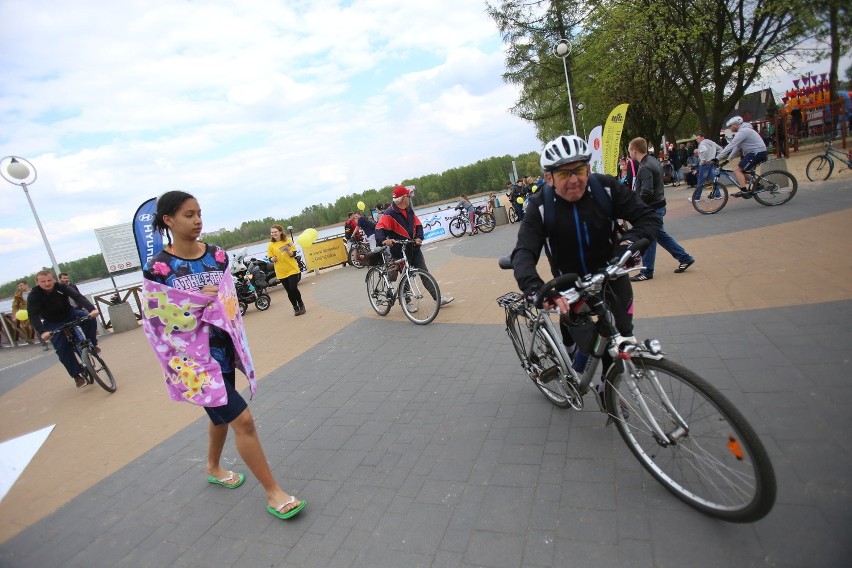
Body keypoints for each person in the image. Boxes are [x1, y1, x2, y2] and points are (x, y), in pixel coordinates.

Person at [142, 190, 305, 520]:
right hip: (192, 362)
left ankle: (213, 467)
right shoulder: (158, 267)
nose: (198, 220)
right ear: (168, 220)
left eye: (199, 213)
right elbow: (157, 320)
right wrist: (195, 300)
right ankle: (274, 493)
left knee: (219, 417)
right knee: (242, 419)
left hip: (223, 350)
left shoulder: (217, 256)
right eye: (188, 215)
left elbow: (230, 299)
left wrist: (220, 302)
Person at [511, 134, 660, 403]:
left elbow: (646, 217)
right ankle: (567, 356)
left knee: (622, 333)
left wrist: (629, 244)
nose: (574, 180)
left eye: (580, 170)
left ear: (588, 169)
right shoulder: (540, 207)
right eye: (564, 174)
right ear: (549, 178)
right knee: (589, 343)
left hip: (610, 272)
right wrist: (536, 288)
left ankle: (607, 387)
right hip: (570, 283)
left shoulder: (605, 189)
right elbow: (524, 252)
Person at [628, 137, 695, 282]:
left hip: (651, 208)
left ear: (634, 151)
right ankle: (685, 257)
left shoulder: (645, 166)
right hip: (657, 206)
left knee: (650, 238)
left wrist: (637, 206)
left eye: (629, 151)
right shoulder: (652, 161)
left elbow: (646, 191)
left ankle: (647, 271)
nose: (629, 154)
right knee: (660, 235)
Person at [374, 185, 454, 308]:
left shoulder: (408, 210)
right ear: (402, 198)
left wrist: (419, 237)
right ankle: (407, 302)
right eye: (407, 196)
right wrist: (384, 240)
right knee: (405, 276)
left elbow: (418, 225)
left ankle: (438, 299)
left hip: (413, 248)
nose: (409, 197)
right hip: (399, 250)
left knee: (424, 273)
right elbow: (379, 228)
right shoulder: (389, 213)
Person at [27, 271, 99, 387]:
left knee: (89, 318)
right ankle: (76, 376)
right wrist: (42, 332)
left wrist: (92, 309)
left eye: (49, 280)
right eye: (43, 281)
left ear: (54, 280)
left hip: (70, 314)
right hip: (52, 322)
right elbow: (33, 315)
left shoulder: (61, 286)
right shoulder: (34, 295)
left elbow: (77, 297)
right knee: (61, 349)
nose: (47, 283)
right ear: (37, 282)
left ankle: (92, 344)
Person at [715, 116, 769, 199]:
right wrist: (727, 160)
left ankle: (744, 190)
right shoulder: (742, 132)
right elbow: (736, 148)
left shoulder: (743, 132)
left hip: (757, 152)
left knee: (737, 170)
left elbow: (731, 145)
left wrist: (717, 158)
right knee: (741, 170)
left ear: (736, 125)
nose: (729, 128)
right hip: (754, 153)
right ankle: (757, 185)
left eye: (730, 126)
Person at [268, 224, 306, 316]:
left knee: (293, 288)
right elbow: (270, 258)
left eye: (275, 232)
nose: (274, 234)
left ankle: (301, 304)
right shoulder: (271, 245)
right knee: (289, 291)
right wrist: (273, 259)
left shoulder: (287, 241)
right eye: (272, 232)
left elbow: (293, 254)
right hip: (281, 271)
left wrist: (287, 251)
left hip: (291, 269)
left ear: (280, 232)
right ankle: (295, 307)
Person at [12, 280, 51, 350]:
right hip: (30, 314)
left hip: (41, 311)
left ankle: (55, 340)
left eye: (21, 285)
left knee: (49, 325)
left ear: (26, 285)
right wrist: (15, 314)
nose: (19, 287)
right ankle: (44, 344)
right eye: (18, 286)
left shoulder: (34, 291)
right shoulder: (18, 295)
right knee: (37, 329)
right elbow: (15, 306)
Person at [690, 131, 724, 201]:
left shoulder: (702, 144)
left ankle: (696, 197)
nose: (697, 140)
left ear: (702, 137)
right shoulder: (711, 142)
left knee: (700, 181)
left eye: (698, 138)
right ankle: (718, 195)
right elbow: (720, 149)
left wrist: (704, 160)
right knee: (713, 180)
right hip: (711, 162)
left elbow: (704, 151)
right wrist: (716, 158)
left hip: (705, 164)